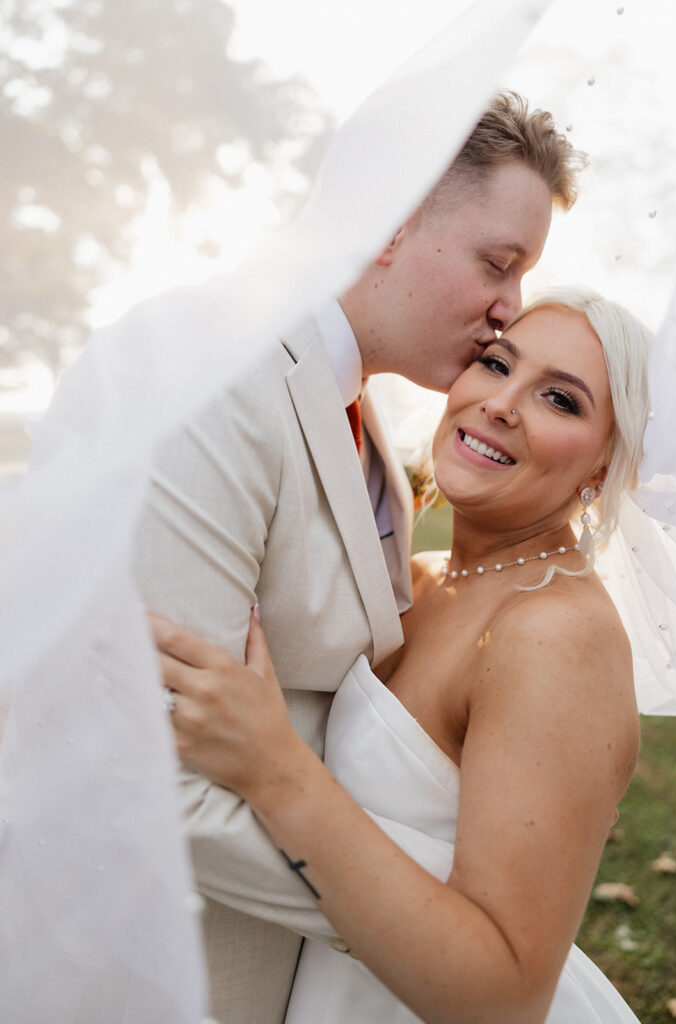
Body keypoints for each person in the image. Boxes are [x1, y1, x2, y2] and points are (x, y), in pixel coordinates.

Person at [135, 91, 581, 1023]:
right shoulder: (217, 388)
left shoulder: (367, 423)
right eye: (497, 265)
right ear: (388, 224)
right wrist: (432, 936)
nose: (509, 311)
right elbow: (151, 771)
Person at [150, 287, 651, 1024]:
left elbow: (503, 997)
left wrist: (273, 769)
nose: (500, 403)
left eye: (559, 400)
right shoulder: (418, 580)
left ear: (604, 470)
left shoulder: (555, 634)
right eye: (494, 362)